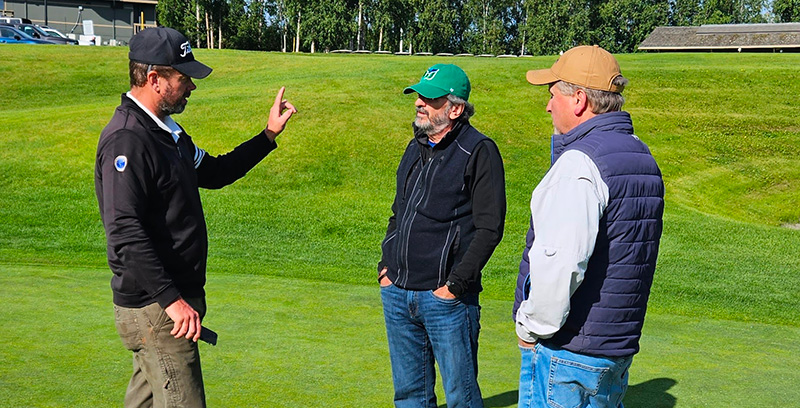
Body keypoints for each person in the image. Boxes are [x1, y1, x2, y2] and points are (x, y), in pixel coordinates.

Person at [94, 27, 296, 407]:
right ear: (154, 79)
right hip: (156, 308)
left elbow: (215, 173)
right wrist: (171, 300)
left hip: (166, 303)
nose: (191, 87)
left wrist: (267, 135)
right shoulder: (128, 140)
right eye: (183, 78)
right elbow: (123, 230)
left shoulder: (169, 133)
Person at [513, 45, 664, 408]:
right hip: (613, 351)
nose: (548, 105)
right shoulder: (640, 152)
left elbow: (562, 262)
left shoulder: (580, 163)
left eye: (553, 95)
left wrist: (531, 327)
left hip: (569, 353)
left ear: (579, 99)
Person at [378, 64, 506, 408]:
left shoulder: (479, 150)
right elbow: (399, 212)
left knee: (461, 398)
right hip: (398, 293)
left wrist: (454, 286)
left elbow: (490, 228)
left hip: (446, 300)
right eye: (419, 95)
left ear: (455, 108)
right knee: (408, 397)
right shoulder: (415, 145)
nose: (420, 102)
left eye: (430, 98)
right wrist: (385, 269)